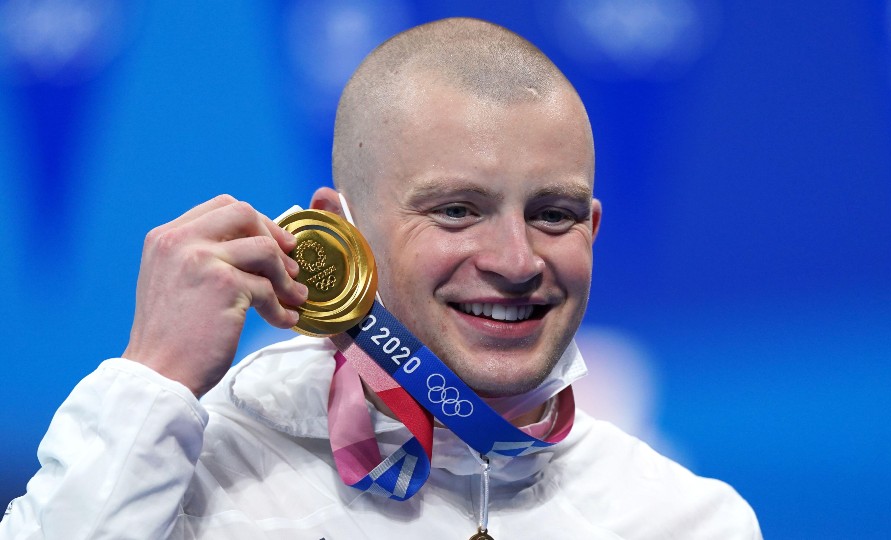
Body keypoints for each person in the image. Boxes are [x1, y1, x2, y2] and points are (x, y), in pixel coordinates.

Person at [1, 18, 761, 539]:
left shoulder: (683, 519)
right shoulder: (203, 468)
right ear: (343, 230)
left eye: (553, 214)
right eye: (458, 210)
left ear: (592, 231)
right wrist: (153, 379)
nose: (517, 260)